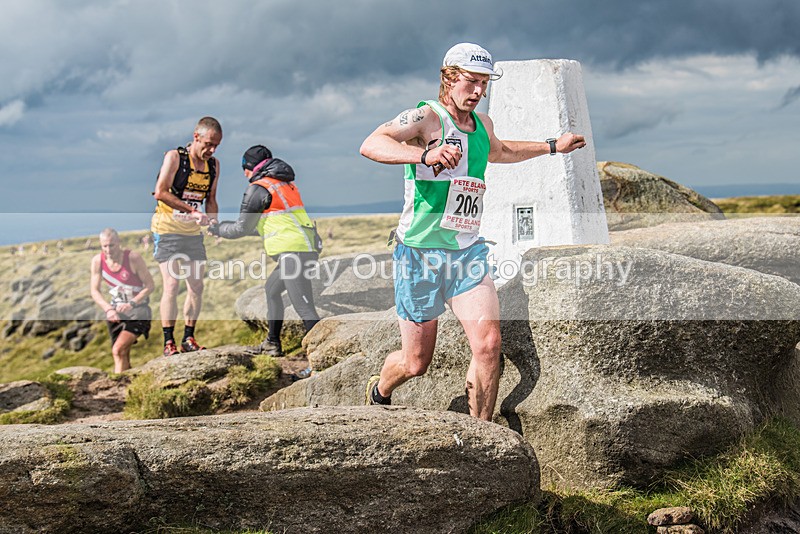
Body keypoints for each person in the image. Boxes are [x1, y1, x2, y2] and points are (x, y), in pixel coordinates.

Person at [359, 42, 586, 420]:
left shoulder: (483, 125)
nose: (479, 91)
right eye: (471, 81)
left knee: (488, 345)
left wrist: (552, 146)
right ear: (449, 78)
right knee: (416, 362)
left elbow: (501, 151)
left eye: (485, 83)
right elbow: (372, 144)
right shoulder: (425, 118)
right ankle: (380, 389)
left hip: (466, 253)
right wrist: (425, 154)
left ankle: (482, 434)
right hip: (419, 254)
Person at [208, 145, 321, 356]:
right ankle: (272, 343)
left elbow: (242, 228)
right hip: (303, 248)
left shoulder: (258, 188)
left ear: (251, 167)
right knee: (272, 290)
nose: (244, 174)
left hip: (293, 252)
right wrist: (222, 229)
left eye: (244, 168)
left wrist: (218, 229)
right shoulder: (285, 184)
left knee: (304, 307)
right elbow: (267, 226)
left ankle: (320, 359)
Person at [151, 116, 221, 356]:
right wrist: (192, 212)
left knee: (197, 286)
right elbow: (160, 192)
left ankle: (188, 338)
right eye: (208, 144)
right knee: (172, 285)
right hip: (167, 230)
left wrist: (213, 222)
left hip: (192, 234)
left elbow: (211, 199)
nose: (211, 150)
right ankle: (168, 341)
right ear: (196, 137)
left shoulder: (213, 165)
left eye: (216, 146)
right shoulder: (175, 158)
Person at [90, 228, 155, 373]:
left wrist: (132, 303)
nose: (108, 250)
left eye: (111, 245)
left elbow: (150, 286)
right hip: (116, 312)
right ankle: (126, 382)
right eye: (104, 246)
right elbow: (94, 291)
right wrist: (108, 309)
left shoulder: (133, 258)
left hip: (138, 310)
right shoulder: (97, 261)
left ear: (119, 242)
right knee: (122, 353)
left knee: (118, 350)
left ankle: (117, 382)